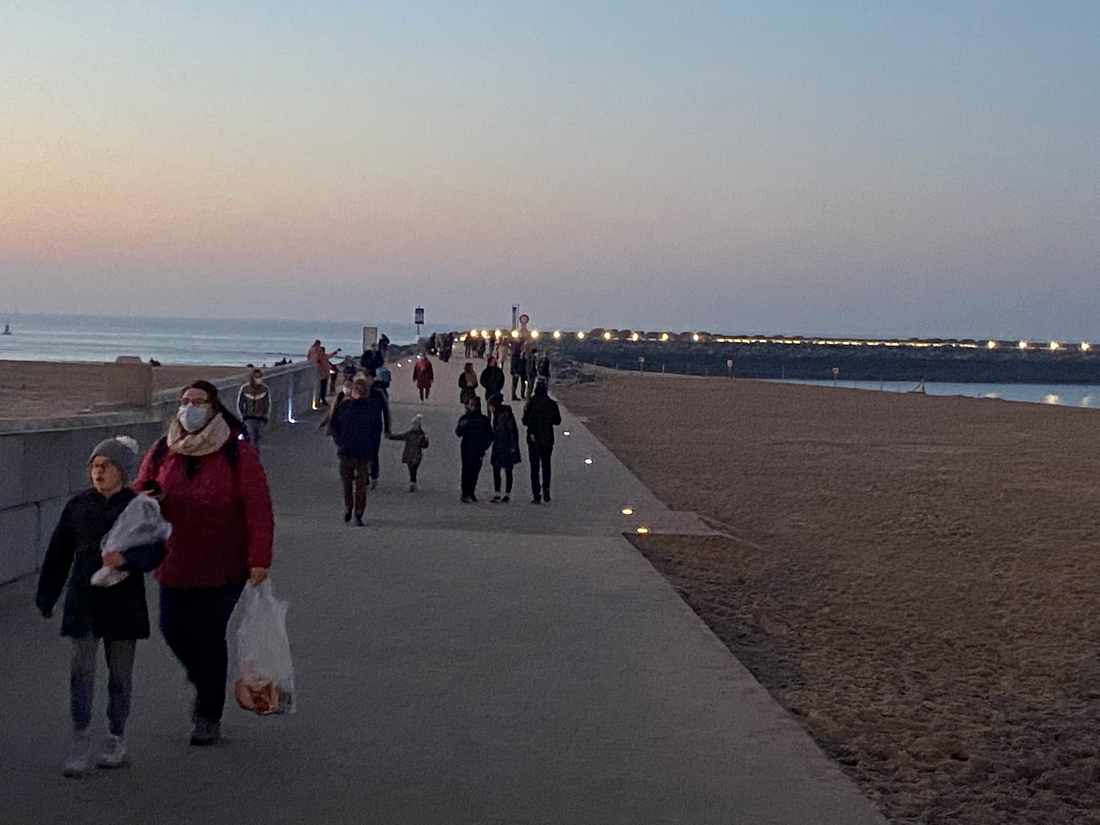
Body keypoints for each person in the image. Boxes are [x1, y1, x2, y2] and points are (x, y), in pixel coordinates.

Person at [134, 381, 273, 747]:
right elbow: (138, 492)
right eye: (183, 402)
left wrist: (259, 560)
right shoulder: (164, 448)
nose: (189, 408)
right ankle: (201, 678)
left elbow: (259, 510)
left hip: (221, 565)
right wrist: (149, 496)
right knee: (172, 628)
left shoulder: (237, 453)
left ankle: (208, 716)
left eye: (197, 402)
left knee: (209, 638)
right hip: (174, 560)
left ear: (213, 408)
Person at [36, 436, 166, 776]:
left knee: (119, 675)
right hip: (84, 599)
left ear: (121, 471)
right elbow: (58, 552)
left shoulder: (139, 506)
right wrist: (47, 596)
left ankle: (115, 736)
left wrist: (127, 558)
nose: (98, 472)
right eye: (94, 465)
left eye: (105, 465)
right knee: (81, 671)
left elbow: (156, 549)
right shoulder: (78, 506)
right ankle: (80, 739)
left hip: (124, 603)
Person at [329, 375, 391, 524]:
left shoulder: (355, 406)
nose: (356, 391)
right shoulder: (352, 406)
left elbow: (334, 425)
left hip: (352, 450)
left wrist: (340, 441)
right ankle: (354, 511)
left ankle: (354, 511)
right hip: (355, 450)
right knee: (354, 483)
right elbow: (335, 425)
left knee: (355, 483)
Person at [522, 380, 562, 504]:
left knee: (534, 468)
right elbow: (557, 421)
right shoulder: (551, 403)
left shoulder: (531, 402)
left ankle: (536, 495)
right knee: (546, 465)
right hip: (547, 437)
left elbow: (525, 420)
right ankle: (546, 487)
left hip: (534, 437)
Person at [455, 397, 494, 503]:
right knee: (466, 470)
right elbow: (458, 433)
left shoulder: (483, 420)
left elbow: (490, 435)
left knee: (475, 471)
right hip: (466, 448)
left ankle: (471, 492)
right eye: (470, 405)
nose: (471, 407)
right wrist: (462, 427)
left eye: (473, 405)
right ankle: (465, 493)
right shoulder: (465, 418)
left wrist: (485, 446)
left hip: (478, 449)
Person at [487, 393, 521, 503]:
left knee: (506, 469)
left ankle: (506, 493)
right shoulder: (499, 414)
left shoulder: (504, 415)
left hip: (505, 445)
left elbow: (512, 432)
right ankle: (499, 492)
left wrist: (513, 447)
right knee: (497, 468)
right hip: (499, 444)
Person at [388, 414, 430, 492]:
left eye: (416, 425)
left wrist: (426, 441)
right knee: (411, 468)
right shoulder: (409, 434)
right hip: (409, 454)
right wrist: (391, 436)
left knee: (414, 467)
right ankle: (413, 481)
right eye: (414, 425)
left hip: (417, 455)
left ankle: (413, 481)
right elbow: (401, 436)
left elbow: (424, 446)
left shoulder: (422, 435)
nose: (415, 426)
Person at [236, 368, 271, 454]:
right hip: (249, 418)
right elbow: (240, 404)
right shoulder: (245, 389)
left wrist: (265, 416)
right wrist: (243, 417)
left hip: (260, 419)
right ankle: (252, 458)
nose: (259, 379)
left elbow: (267, 404)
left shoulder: (264, 389)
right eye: (257, 377)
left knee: (258, 440)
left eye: (260, 376)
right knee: (251, 439)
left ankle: (256, 459)